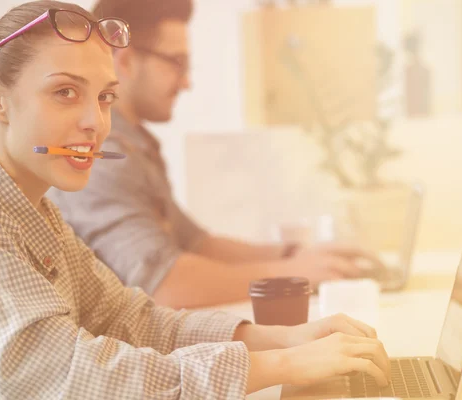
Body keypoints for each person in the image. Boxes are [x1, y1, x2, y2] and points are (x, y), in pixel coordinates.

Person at [0, 1, 391, 398]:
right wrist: (277, 366)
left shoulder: (30, 211)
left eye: (105, 96)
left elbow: (133, 320)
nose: (95, 123)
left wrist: (284, 339)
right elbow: (70, 381)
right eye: (66, 92)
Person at [46, 0, 384, 309]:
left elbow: (195, 243)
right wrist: (293, 274)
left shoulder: (135, 143)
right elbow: (164, 284)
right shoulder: (100, 153)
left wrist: (292, 255)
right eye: (177, 63)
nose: (187, 82)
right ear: (127, 60)